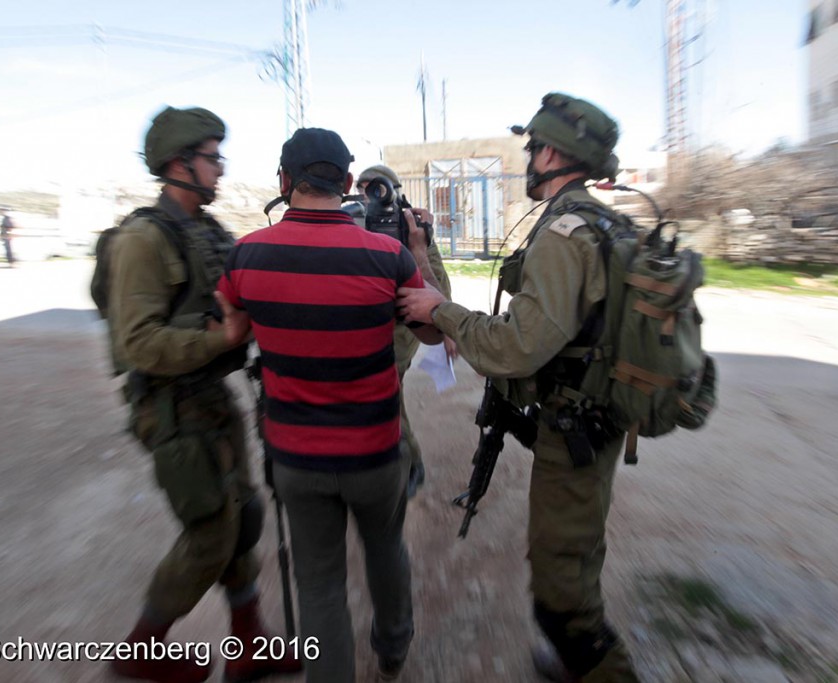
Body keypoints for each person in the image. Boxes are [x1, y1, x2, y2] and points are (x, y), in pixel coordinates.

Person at [396, 93, 640, 682]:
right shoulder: (607, 222)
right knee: (573, 550)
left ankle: (600, 666)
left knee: (559, 591)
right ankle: (574, 656)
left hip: (577, 428)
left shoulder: (564, 233)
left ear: (553, 152)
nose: (528, 159)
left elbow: (517, 346)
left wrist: (442, 310)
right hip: (600, 416)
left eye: (532, 148)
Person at [215, 128, 443, 682]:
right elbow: (435, 335)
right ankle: (393, 646)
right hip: (376, 451)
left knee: (319, 586)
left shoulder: (245, 254)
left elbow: (229, 335)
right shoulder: (387, 256)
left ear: (283, 181)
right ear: (346, 184)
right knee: (386, 547)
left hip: (296, 459)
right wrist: (416, 251)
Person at [107, 105, 301, 683]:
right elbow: (139, 342)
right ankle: (140, 648)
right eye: (212, 158)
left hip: (212, 399)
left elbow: (237, 301)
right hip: (170, 410)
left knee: (242, 518)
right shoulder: (142, 240)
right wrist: (221, 336)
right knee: (211, 534)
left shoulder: (208, 232)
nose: (220, 169)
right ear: (178, 164)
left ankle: (249, 647)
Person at [355, 164, 456, 498]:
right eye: (363, 188)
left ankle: (410, 462)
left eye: (376, 188)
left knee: (387, 391)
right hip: (367, 325)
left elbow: (439, 285)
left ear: (395, 192)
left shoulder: (410, 227)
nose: (369, 196)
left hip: (402, 325)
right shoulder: (353, 223)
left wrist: (418, 245)